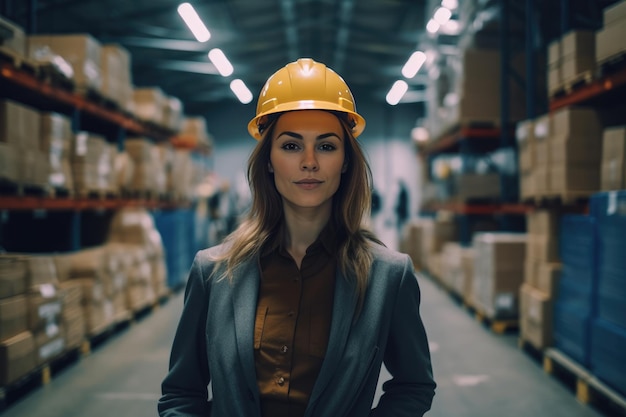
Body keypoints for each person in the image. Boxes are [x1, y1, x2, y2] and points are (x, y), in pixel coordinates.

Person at [158, 58, 436, 417]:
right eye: (291, 146)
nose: (309, 162)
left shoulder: (388, 277)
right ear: (269, 160)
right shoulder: (213, 271)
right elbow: (181, 392)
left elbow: (414, 386)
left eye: (326, 146)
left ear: (346, 161)